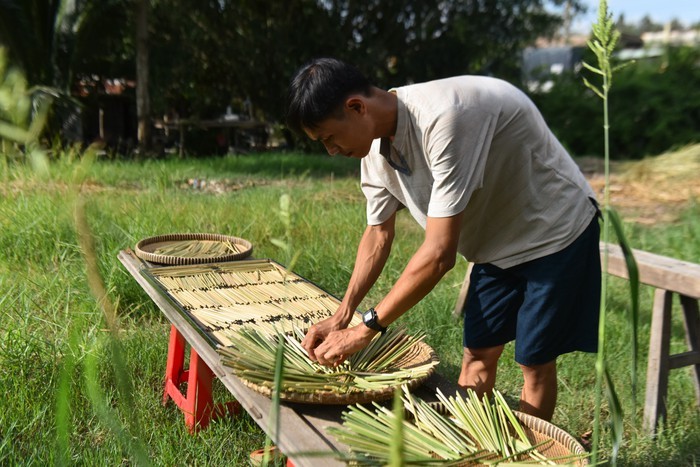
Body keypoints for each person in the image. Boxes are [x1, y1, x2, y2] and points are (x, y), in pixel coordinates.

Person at [286, 57, 600, 421]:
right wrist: (342, 315)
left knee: (534, 363)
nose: (331, 150)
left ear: (356, 107)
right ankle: (473, 449)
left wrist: (366, 328)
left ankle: (531, 455)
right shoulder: (374, 148)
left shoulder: (445, 118)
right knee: (478, 354)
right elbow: (377, 234)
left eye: (329, 138)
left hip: (553, 231)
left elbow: (438, 255)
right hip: (495, 244)